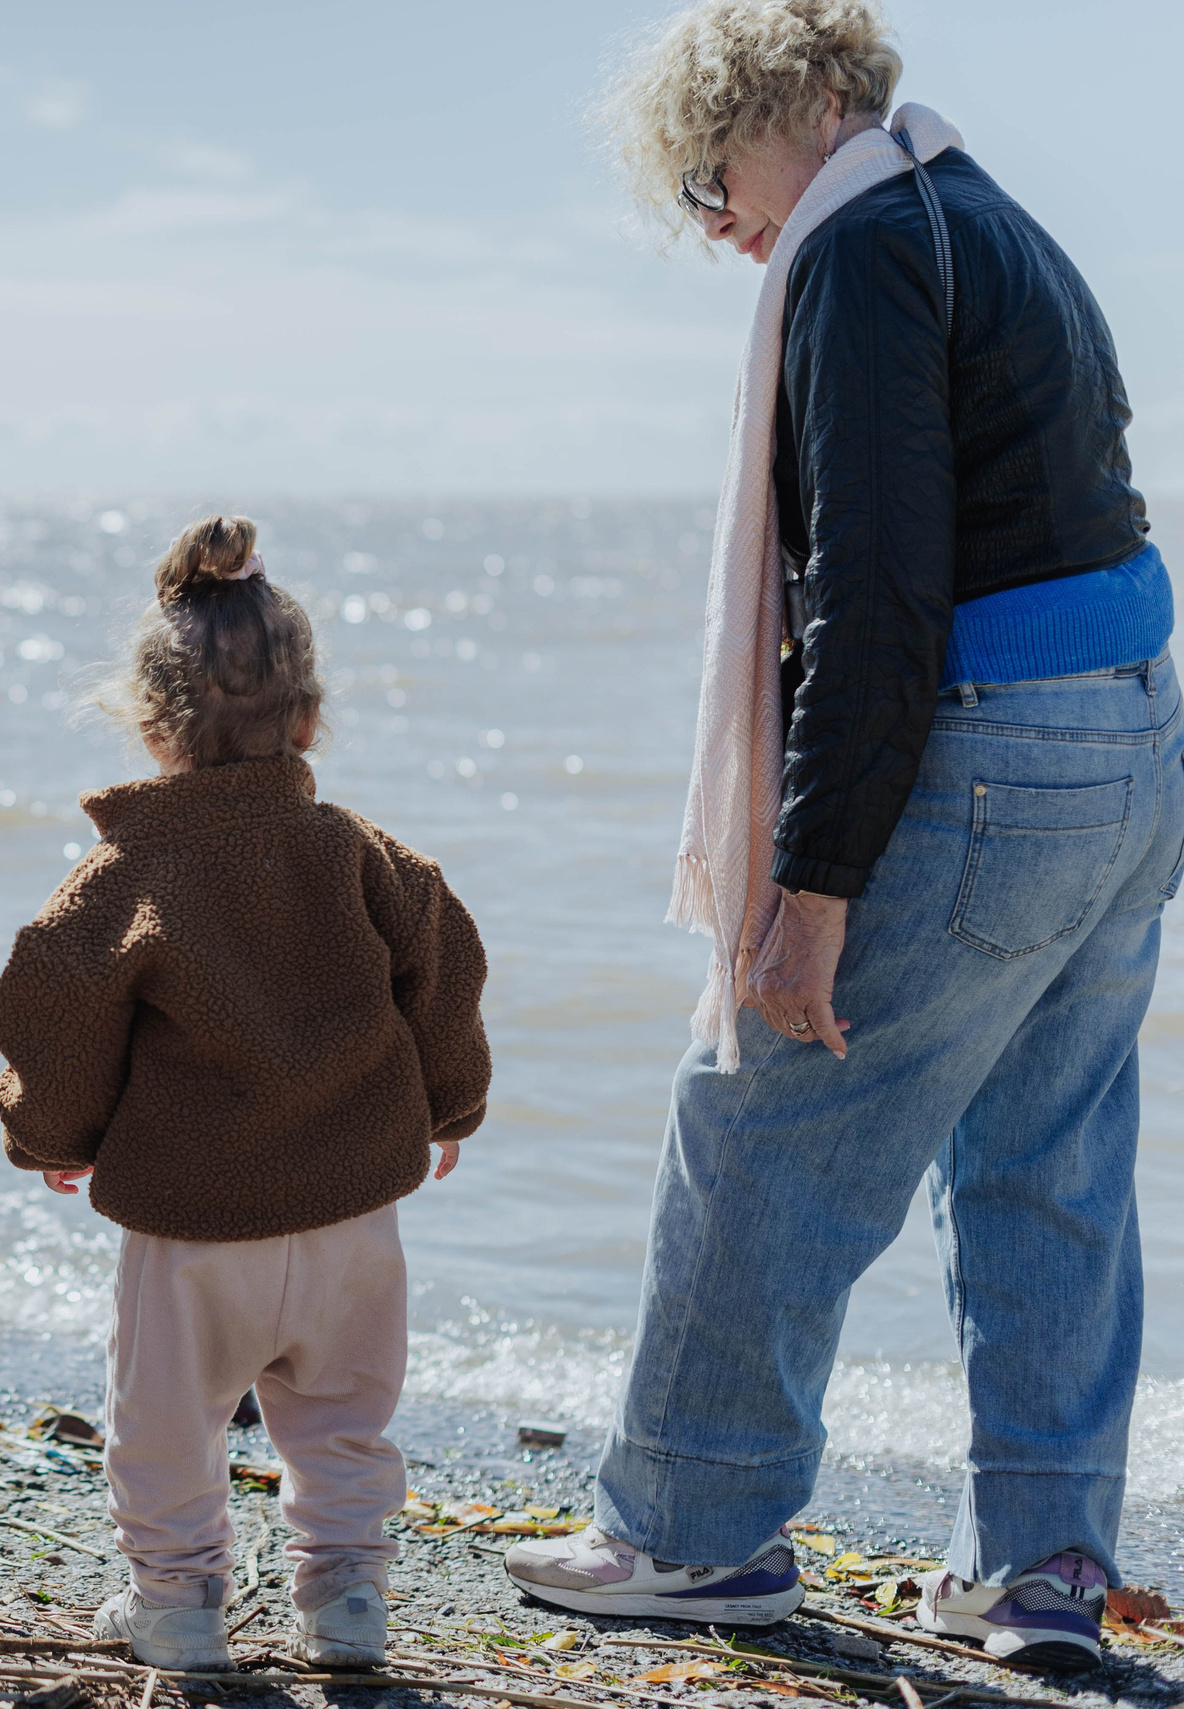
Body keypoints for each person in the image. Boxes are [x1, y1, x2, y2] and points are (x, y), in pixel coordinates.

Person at [503, 0, 1171, 1671]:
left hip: (1004, 743)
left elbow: (877, 600)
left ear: (810, 102)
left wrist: (807, 894)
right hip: (1137, 720)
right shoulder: (987, 213)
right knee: (1048, 1160)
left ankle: (689, 1527)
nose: (712, 217)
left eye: (710, 170)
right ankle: (1043, 1566)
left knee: (757, 1123)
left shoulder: (868, 243)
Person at [0, 515, 491, 1671]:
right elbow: (444, 964)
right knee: (343, 1415)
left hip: (192, 1226)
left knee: (163, 1422)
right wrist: (445, 1106)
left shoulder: (124, 876)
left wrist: (51, 1132)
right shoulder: (360, 853)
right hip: (348, 1210)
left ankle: (175, 1603)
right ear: (308, 716)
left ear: (154, 726)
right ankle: (347, 1598)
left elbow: (57, 1004)